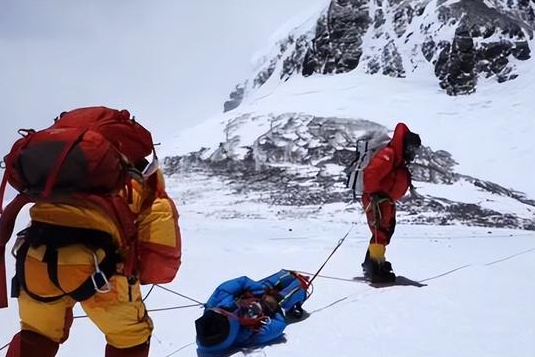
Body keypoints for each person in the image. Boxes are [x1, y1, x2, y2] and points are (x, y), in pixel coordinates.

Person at [1, 107, 182, 357]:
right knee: (130, 339)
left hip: (35, 259)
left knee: (36, 336)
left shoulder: (56, 176)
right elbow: (160, 251)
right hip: (103, 271)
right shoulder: (141, 182)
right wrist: (143, 275)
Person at [361, 122, 421, 283]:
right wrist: (375, 194)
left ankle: (372, 263)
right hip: (377, 199)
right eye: (412, 149)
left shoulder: (397, 158)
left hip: (384, 200)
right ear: (406, 145)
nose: (413, 153)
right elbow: (371, 173)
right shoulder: (389, 155)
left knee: (385, 230)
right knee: (381, 231)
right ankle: (376, 268)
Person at [195, 270, 309, 354]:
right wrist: (274, 309)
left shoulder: (215, 304)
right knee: (283, 297)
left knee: (269, 284)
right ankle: (301, 285)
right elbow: (278, 327)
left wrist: (261, 292)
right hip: (270, 308)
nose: (227, 310)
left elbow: (240, 282)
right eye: (227, 315)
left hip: (254, 292)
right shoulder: (246, 336)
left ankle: (289, 275)